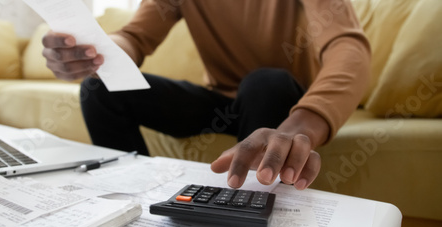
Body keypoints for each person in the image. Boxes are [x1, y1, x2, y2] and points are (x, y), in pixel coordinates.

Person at [41, 0, 370, 190]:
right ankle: (132, 196)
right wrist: (93, 53)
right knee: (100, 88)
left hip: (281, 104)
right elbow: (134, 37)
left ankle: (247, 210)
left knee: (263, 82)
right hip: (220, 104)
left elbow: (348, 45)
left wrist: (302, 123)